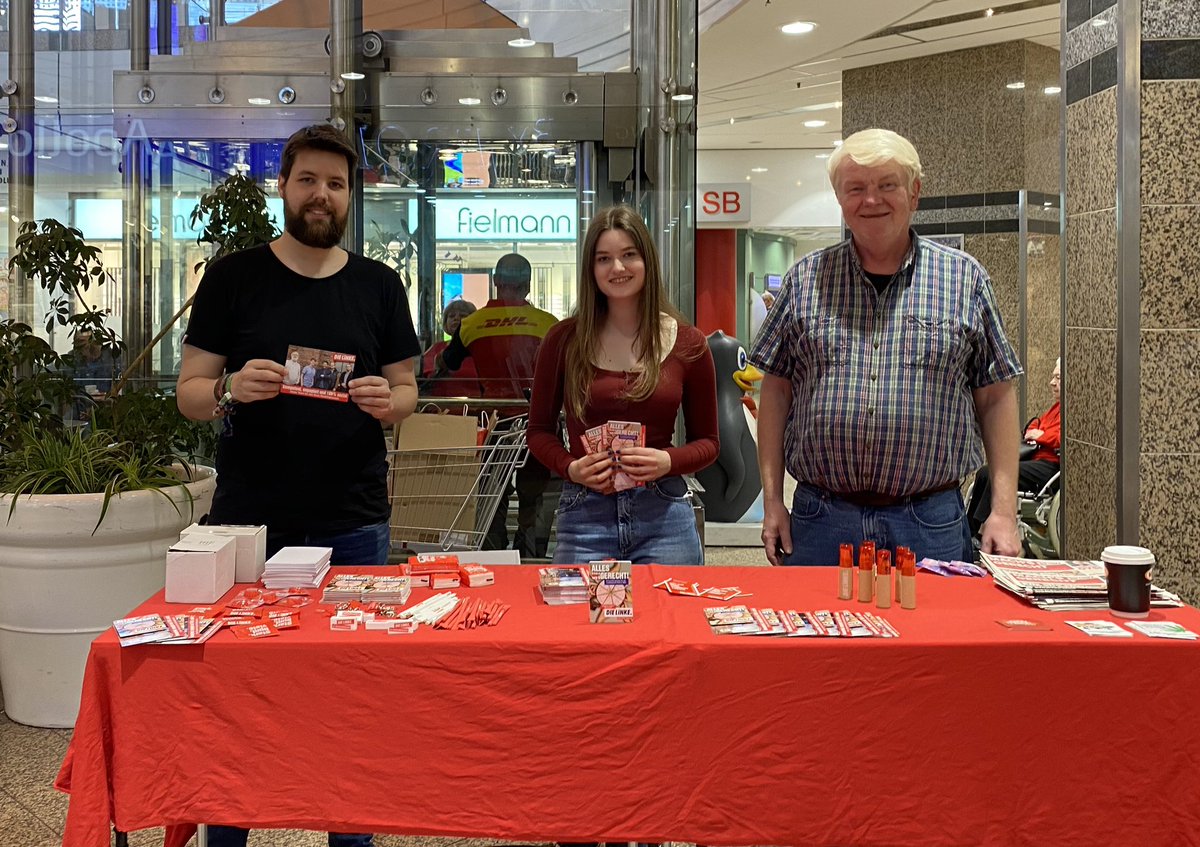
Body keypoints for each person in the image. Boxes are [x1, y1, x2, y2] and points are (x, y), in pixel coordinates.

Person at [176, 123, 420, 847]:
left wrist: (389, 399)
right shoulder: (232, 277)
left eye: (336, 184)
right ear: (283, 186)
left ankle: (350, 836)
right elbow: (188, 389)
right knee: (237, 695)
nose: (322, 195)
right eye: (309, 180)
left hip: (354, 521)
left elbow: (410, 389)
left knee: (351, 699)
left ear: (352, 196)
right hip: (249, 522)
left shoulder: (379, 285)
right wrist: (226, 388)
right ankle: (227, 834)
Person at [750, 128, 1024, 567]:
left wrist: (1004, 512)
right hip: (822, 519)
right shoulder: (804, 281)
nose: (870, 200)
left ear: (915, 193)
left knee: (930, 636)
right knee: (820, 635)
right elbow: (776, 393)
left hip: (929, 521)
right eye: (855, 188)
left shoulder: (964, 280)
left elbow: (996, 396)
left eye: (886, 185)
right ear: (840, 199)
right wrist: (771, 501)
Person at [527, 205, 719, 564]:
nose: (617, 268)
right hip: (585, 518)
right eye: (604, 258)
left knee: (671, 621)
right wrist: (570, 467)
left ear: (646, 260)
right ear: (591, 269)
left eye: (628, 255)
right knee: (577, 621)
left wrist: (667, 460)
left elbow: (709, 443)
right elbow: (538, 431)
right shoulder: (563, 340)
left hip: (664, 518)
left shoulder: (688, 343)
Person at [439, 253, 558, 557]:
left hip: (493, 423)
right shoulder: (549, 325)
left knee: (494, 491)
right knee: (533, 492)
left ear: (495, 283)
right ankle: (530, 550)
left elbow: (450, 362)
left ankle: (495, 553)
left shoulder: (473, 323)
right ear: (528, 286)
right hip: (537, 422)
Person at [967, 357, 1061, 536]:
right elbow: (1035, 425)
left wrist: (1041, 436)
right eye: (1053, 377)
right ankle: (969, 528)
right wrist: (1037, 434)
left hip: (1050, 467)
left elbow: (1060, 438)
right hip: (1037, 460)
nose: (1052, 383)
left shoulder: (1069, 411)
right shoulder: (1056, 408)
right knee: (984, 473)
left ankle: (978, 528)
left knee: (995, 473)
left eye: (1058, 378)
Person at [420, 299, 481, 397]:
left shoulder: (480, 349)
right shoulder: (436, 348)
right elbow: (424, 378)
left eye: (463, 315)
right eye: (451, 316)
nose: (456, 318)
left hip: (476, 408)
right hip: (438, 407)